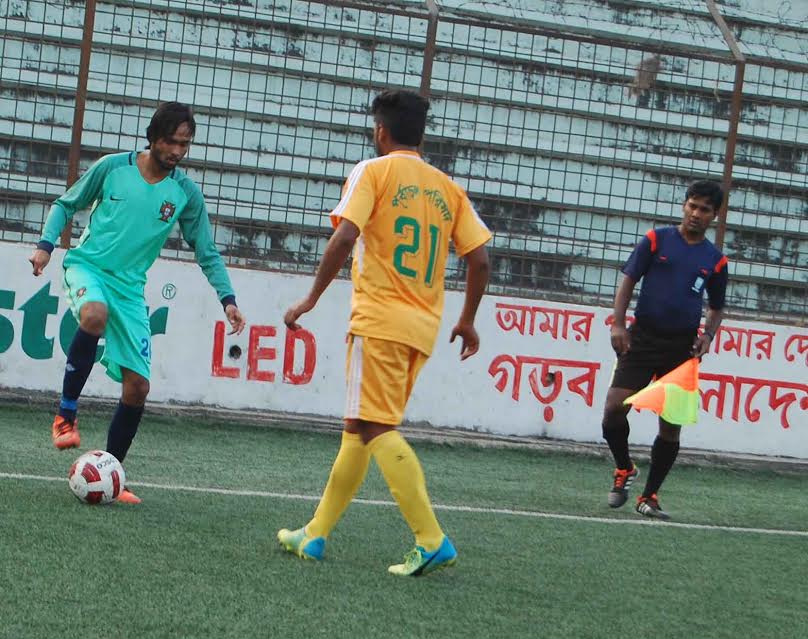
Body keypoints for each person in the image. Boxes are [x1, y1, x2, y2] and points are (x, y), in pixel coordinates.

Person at [278, 89, 491, 576]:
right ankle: (315, 534)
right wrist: (467, 318)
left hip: (378, 321)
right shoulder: (447, 188)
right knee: (357, 429)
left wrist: (310, 298)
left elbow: (346, 234)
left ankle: (431, 538)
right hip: (422, 327)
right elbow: (479, 258)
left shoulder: (372, 171)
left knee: (375, 428)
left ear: (380, 130)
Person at [29, 102, 246, 503]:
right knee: (94, 315)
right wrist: (45, 246)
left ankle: (113, 473)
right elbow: (65, 204)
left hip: (129, 289)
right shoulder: (113, 168)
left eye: (185, 144)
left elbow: (207, 250)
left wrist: (227, 299)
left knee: (138, 387)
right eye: (171, 142)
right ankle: (66, 415)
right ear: (153, 138)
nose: (178, 151)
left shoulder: (184, 193)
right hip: (88, 268)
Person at [602, 180, 729, 519]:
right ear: (684, 205)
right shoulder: (656, 240)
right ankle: (624, 468)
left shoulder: (715, 261)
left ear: (714, 215)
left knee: (670, 425)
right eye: (692, 205)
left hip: (681, 349)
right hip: (642, 339)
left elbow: (716, 306)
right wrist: (618, 324)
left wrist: (708, 335)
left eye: (704, 209)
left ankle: (650, 496)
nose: (696, 213)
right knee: (615, 408)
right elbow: (628, 279)